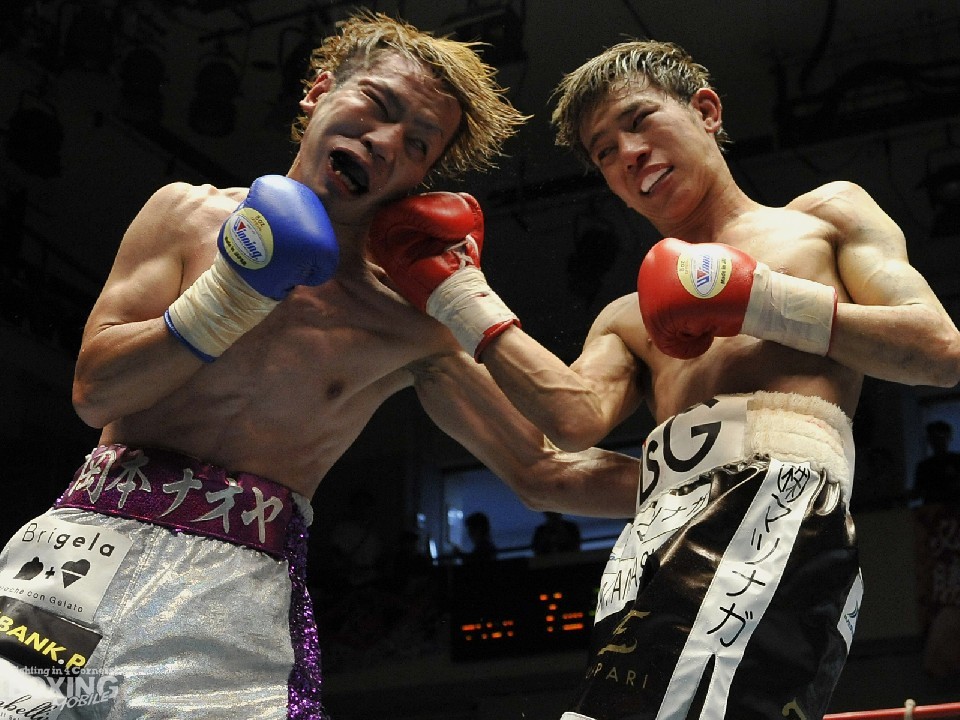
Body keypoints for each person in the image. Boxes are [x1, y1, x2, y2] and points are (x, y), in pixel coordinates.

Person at [0, 13, 643, 719]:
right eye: (378, 104)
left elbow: (544, 470)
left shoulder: (411, 320)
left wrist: (708, 487)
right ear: (317, 92)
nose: (387, 142)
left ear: (420, 178)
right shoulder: (186, 216)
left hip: (228, 595)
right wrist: (229, 297)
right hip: (80, 554)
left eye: (417, 143)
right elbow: (95, 393)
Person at [370, 39, 960, 720]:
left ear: (706, 111)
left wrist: (757, 300)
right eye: (603, 151)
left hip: (776, 514)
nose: (627, 152)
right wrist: (458, 299)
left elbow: (938, 349)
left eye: (640, 119)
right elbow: (567, 431)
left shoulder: (822, 220)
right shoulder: (626, 319)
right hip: (651, 542)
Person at [913, 420, 960, 505]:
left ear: (949, 437)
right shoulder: (924, 466)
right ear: (929, 440)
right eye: (934, 438)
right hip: (933, 510)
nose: (938, 441)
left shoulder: (957, 461)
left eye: (941, 437)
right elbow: (918, 492)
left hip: (953, 508)